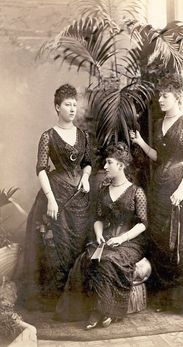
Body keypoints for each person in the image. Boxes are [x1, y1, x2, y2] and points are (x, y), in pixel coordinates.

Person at [130, 73, 183, 312]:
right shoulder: (158, 123)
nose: (160, 99)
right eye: (160, 95)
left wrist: (181, 190)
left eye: (165, 95)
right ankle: (166, 299)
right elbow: (158, 157)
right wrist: (141, 142)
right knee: (163, 240)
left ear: (178, 97)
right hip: (161, 188)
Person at [55, 142, 148, 328]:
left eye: (109, 162)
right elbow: (98, 218)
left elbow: (142, 224)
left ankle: (101, 311)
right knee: (86, 259)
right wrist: (98, 235)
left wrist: (121, 238)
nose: (105, 166)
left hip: (130, 242)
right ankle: (97, 311)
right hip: (106, 238)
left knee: (107, 260)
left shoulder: (137, 192)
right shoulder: (104, 191)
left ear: (120, 165)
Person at [20, 84, 92, 311]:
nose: (72, 109)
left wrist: (86, 177)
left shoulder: (82, 135)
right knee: (57, 248)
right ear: (57, 107)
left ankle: (76, 299)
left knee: (78, 245)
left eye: (74, 104)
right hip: (56, 198)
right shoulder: (48, 136)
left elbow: (87, 163)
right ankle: (55, 301)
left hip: (79, 199)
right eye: (67, 105)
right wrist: (50, 198)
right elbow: (41, 168)